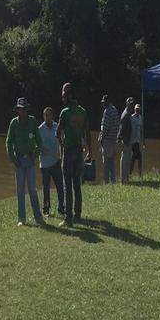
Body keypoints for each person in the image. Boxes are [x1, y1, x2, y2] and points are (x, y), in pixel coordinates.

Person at [56, 83, 92, 228]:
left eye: (64, 94)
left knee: (67, 185)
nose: (62, 96)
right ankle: (78, 214)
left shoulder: (65, 112)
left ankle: (68, 218)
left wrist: (62, 144)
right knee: (77, 184)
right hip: (79, 151)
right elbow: (88, 133)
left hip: (69, 151)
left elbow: (58, 133)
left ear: (69, 95)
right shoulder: (83, 112)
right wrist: (90, 151)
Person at [5, 97, 45, 226]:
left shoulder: (33, 121)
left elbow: (39, 141)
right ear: (17, 110)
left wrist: (35, 155)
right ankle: (21, 219)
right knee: (20, 190)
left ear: (27, 109)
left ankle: (38, 218)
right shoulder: (13, 123)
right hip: (18, 160)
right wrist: (13, 158)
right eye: (20, 109)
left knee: (32, 190)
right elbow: (8, 142)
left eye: (24, 109)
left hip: (30, 160)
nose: (22, 111)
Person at [38, 106, 65, 217]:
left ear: (52, 116)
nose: (47, 117)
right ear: (43, 116)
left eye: (49, 115)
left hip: (56, 162)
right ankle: (46, 210)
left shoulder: (57, 126)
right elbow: (37, 145)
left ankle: (61, 208)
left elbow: (62, 141)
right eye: (45, 115)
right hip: (44, 165)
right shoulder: (40, 129)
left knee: (60, 186)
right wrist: (41, 149)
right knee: (46, 188)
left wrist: (62, 156)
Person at [99, 94, 120, 185]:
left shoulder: (107, 111)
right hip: (113, 140)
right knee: (112, 162)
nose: (103, 104)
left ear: (107, 102)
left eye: (104, 102)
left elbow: (105, 127)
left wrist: (101, 139)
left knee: (106, 162)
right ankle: (113, 181)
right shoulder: (115, 110)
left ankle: (106, 182)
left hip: (107, 140)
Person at [117, 97, 136, 184]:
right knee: (125, 160)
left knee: (126, 160)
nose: (132, 106)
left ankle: (125, 179)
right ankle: (124, 180)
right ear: (127, 104)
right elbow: (122, 129)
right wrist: (120, 139)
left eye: (132, 104)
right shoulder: (126, 115)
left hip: (128, 141)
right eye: (130, 104)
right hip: (126, 141)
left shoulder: (128, 113)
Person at [129, 103, 144, 179]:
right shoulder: (132, 117)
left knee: (134, 157)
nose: (137, 110)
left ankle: (130, 173)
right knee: (139, 156)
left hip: (137, 141)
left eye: (138, 109)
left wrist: (143, 140)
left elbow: (141, 129)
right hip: (133, 141)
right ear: (134, 109)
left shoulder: (140, 118)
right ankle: (139, 174)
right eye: (136, 109)